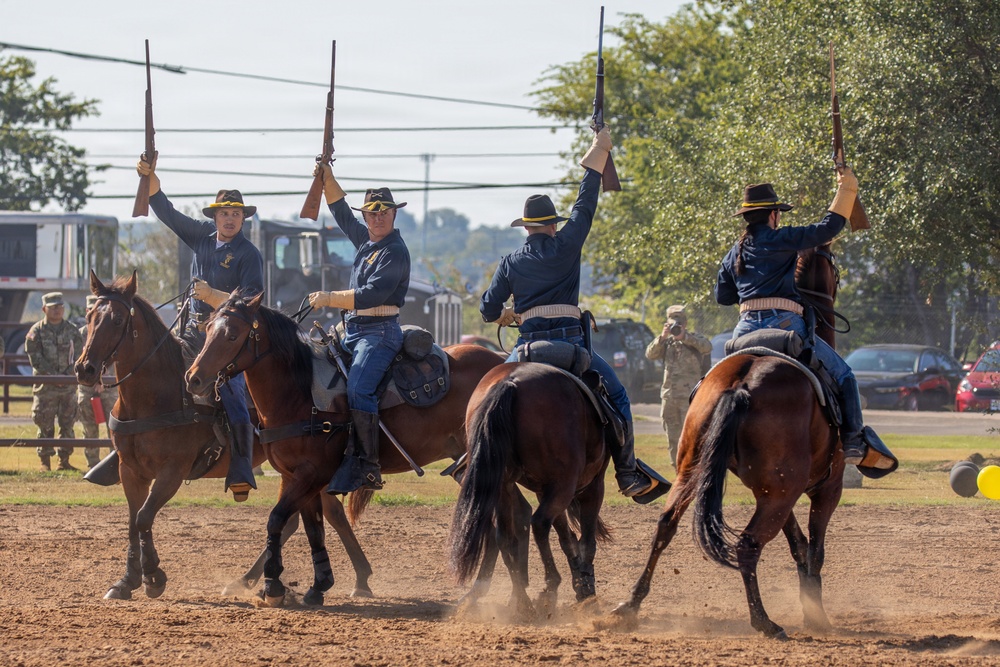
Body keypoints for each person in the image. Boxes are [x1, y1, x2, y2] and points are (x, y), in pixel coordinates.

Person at [479, 127, 651, 499]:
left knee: (488, 395)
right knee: (619, 396)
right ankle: (627, 472)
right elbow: (586, 201)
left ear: (525, 228)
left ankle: (469, 460)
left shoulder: (510, 262)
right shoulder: (568, 244)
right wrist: (598, 151)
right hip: (571, 348)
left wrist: (508, 316)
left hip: (527, 349)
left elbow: (487, 308)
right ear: (554, 225)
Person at [715, 170, 885, 467]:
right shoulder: (782, 239)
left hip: (742, 331)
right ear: (774, 215)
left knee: (711, 383)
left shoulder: (734, 252)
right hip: (784, 325)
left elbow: (723, 296)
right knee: (845, 375)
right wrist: (846, 189)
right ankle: (854, 440)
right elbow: (828, 228)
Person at [136, 153, 264, 501]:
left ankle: (240, 468)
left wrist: (212, 296)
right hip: (191, 333)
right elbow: (167, 213)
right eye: (225, 213)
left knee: (235, 396)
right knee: (148, 379)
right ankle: (125, 448)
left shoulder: (249, 255)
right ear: (216, 216)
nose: (230, 219)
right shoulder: (202, 237)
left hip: (226, 344)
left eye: (236, 214)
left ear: (243, 218)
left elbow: (250, 303)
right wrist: (151, 178)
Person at [308, 163, 410, 495]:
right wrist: (328, 179)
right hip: (353, 330)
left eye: (384, 213)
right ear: (366, 217)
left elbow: (373, 294)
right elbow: (341, 213)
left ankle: (368, 466)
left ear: (394, 214)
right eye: (372, 214)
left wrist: (330, 298)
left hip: (380, 332)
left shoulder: (394, 251)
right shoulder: (366, 242)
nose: (377, 218)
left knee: (359, 390)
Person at [644, 305, 712, 469]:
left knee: (694, 437)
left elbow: (707, 347)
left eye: (679, 323)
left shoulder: (694, 339)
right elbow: (650, 354)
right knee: (673, 439)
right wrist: (663, 336)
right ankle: (680, 473)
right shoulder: (665, 343)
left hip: (691, 398)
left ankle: (696, 472)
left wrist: (684, 337)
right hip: (669, 397)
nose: (676, 326)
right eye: (673, 322)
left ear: (685, 323)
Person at [25, 292, 83, 471]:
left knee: (67, 424)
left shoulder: (72, 330)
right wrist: (52, 376)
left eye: (59, 306)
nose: (57, 310)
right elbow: (35, 357)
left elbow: (80, 355)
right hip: (46, 388)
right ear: (44, 309)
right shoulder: (36, 331)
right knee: (45, 423)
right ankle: (45, 462)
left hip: (67, 387)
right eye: (52, 307)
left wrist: (66, 375)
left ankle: (63, 461)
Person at [77, 294, 117, 470]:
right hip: (86, 388)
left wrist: (101, 379)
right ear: (88, 311)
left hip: (108, 387)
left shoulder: (112, 332)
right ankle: (92, 463)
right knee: (89, 427)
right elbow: (76, 360)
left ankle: (113, 462)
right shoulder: (80, 334)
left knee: (113, 427)